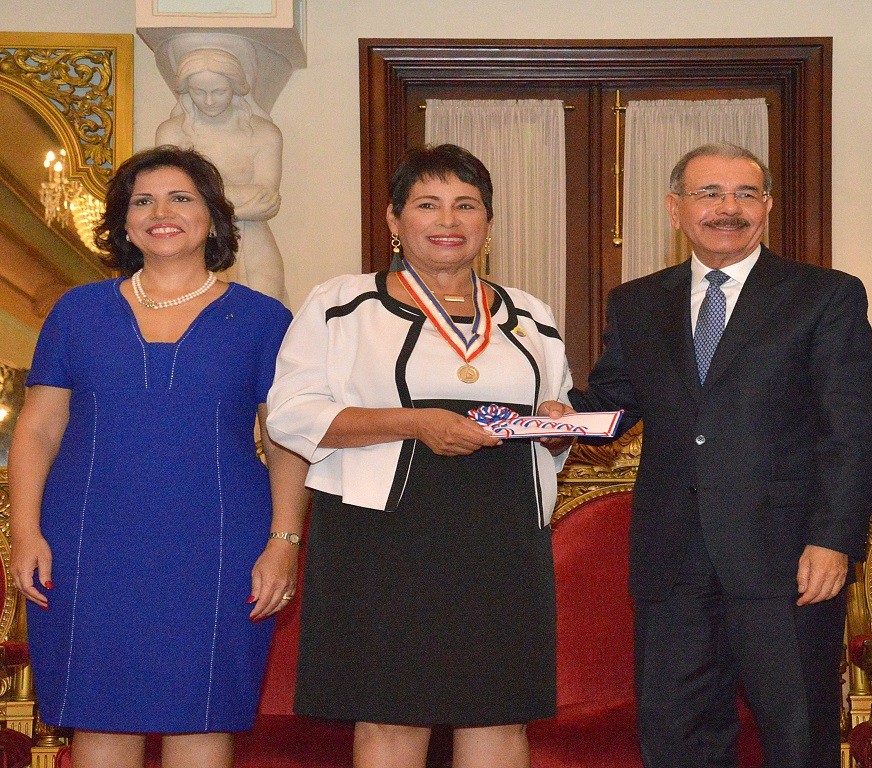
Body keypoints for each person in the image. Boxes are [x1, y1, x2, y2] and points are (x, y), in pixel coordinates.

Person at [547, 142, 872, 768]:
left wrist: (835, 540)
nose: (728, 209)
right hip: (673, 560)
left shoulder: (825, 296)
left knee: (797, 734)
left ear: (768, 207)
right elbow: (615, 404)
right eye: (710, 194)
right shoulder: (638, 302)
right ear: (676, 210)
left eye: (745, 194)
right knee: (677, 737)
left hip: (790, 561)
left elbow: (853, 431)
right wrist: (562, 421)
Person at [265, 143, 572, 768]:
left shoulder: (530, 315)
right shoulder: (341, 304)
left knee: (499, 713)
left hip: (504, 534)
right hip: (381, 532)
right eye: (428, 205)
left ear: (487, 224)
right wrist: (414, 425)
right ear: (393, 221)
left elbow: (555, 423)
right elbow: (291, 415)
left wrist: (557, 427)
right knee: (390, 714)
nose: (448, 220)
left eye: (466, 205)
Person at [8, 145, 307, 768]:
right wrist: (26, 532)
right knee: (100, 719)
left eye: (181, 198)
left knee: (202, 718)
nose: (160, 212)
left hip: (220, 545)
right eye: (142, 200)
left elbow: (286, 440)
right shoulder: (77, 313)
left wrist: (283, 541)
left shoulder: (264, 320)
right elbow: (36, 432)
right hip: (87, 542)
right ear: (122, 222)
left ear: (213, 220)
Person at [157, 47, 288, 304]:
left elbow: (266, 201)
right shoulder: (171, 133)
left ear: (235, 88)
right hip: (192, 239)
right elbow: (170, 194)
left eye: (218, 91)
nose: (208, 101)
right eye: (199, 92)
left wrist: (201, 197)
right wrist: (237, 199)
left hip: (250, 240)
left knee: (263, 312)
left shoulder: (264, 133)